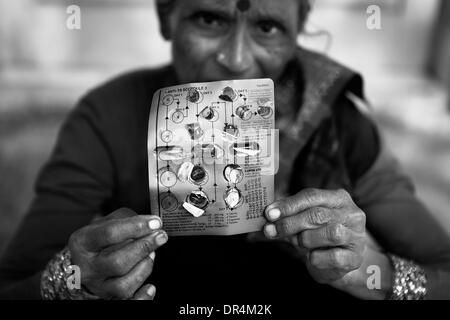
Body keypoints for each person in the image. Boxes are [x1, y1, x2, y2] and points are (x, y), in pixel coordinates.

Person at [1, 0, 450, 300]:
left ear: (296, 34)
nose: (235, 59)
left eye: (267, 27)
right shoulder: (109, 116)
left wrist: (372, 272)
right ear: (165, 17)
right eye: (209, 19)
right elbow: (15, 283)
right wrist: (70, 279)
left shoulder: (343, 126)